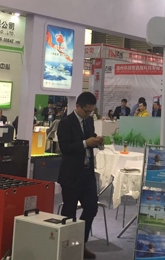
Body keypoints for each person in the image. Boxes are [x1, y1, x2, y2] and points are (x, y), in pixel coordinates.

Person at [57, 92, 104, 259]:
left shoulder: (89, 121)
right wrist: (85, 143)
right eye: (86, 111)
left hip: (87, 174)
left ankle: (80, 244)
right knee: (69, 212)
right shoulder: (65, 123)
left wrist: (97, 141)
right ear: (77, 106)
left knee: (91, 208)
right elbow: (65, 148)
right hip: (71, 174)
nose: (89, 114)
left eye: (91, 111)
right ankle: (65, 248)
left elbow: (89, 140)